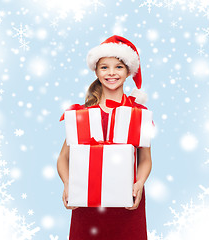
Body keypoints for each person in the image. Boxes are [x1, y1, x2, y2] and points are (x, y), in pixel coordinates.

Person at [57, 35, 153, 240]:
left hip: (127, 203)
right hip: (86, 201)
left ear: (128, 72)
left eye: (118, 67)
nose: (111, 73)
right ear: (96, 71)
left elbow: (145, 159)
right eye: (104, 67)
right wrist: (68, 185)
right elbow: (63, 158)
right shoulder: (82, 114)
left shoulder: (138, 113)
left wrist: (139, 184)